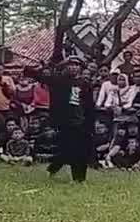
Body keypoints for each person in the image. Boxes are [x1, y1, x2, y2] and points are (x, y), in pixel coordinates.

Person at [26, 54, 94, 182]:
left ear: (80, 68)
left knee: (81, 151)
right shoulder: (59, 81)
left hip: (81, 123)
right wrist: (38, 69)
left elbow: (90, 106)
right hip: (65, 122)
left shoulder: (85, 84)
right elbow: (39, 75)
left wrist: (90, 124)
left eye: (76, 65)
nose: (73, 68)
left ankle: (76, 178)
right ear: (66, 67)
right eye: (71, 65)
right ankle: (72, 177)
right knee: (69, 150)